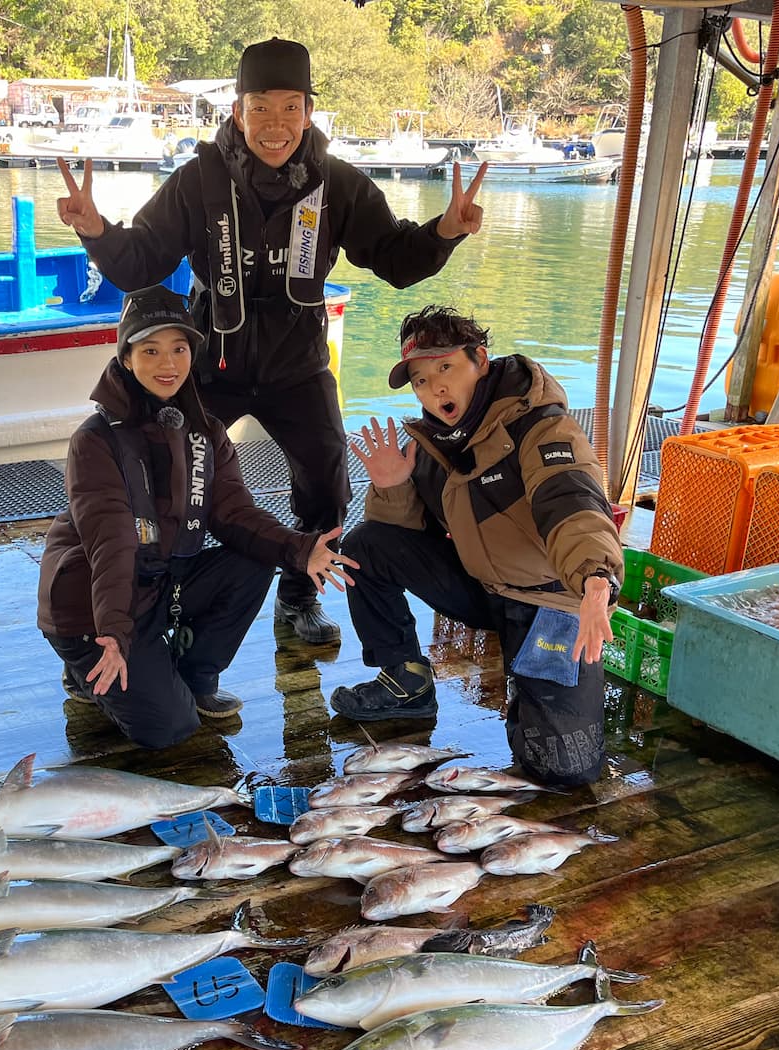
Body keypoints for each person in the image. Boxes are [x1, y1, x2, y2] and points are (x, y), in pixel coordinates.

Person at [54, 37, 485, 647]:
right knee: (161, 461)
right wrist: (95, 229)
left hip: (296, 361)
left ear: (309, 112)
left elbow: (393, 258)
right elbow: (139, 261)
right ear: (238, 112)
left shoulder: (337, 183)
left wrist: (445, 229)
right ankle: (156, 586)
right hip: (213, 357)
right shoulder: (199, 178)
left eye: (290, 108)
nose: (275, 125)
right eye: (261, 108)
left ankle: (301, 594)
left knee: (326, 468)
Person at [37, 286, 356, 749]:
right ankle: (84, 665)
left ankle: (194, 676)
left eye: (179, 349)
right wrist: (112, 630)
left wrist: (300, 549)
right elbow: (110, 541)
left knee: (252, 560)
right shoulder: (95, 440)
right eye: (151, 350)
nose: (168, 364)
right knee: (169, 731)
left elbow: (234, 513)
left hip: (158, 581)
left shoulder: (205, 429)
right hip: (90, 605)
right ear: (127, 358)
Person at [331, 306, 623, 788]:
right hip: (480, 585)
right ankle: (406, 680)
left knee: (564, 768)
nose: (434, 388)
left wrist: (595, 577)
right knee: (365, 543)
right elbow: (400, 541)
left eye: (445, 368)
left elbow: (570, 499)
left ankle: (532, 695)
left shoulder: (541, 428)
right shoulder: (433, 443)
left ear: (480, 360)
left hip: (546, 595)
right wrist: (394, 487)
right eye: (420, 380)